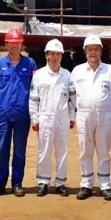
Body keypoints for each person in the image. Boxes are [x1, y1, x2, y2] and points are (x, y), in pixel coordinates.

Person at [70, 34, 111, 201]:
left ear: (101, 51)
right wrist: (84, 105)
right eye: (90, 49)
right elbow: (72, 94)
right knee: (85, 150)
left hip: (104, 115)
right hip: (83, 115)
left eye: (96, 49)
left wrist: (102, 104)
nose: (93, 52)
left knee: (104, 150)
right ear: (85, 52)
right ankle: (86, 184)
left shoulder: (110, 71)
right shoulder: (77, 71)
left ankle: (105, 185)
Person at [0, 28, 38, 197]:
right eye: (11, 43)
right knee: (1, 149)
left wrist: (35, 113)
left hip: (22, 114)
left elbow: (35, 90)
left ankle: (17, 183)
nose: (14, 46)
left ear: (21, 44)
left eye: (17, 43)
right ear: (6, 44)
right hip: (3, 113)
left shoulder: (30, 64)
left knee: (19, 150)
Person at [29, 38, 76, 197]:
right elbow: (33, 98)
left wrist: (72, 117)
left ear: (61, 56)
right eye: (52, 54)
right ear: (46, 55)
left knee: (62, 151)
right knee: (44, 150)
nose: (55, 57)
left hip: (63, 118)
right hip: (45, 118)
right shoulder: (39, 75)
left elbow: (72, 99)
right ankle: (43, 182)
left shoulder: (67, 75)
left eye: (58, 54)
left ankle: (60, 183)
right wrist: (34, 118)